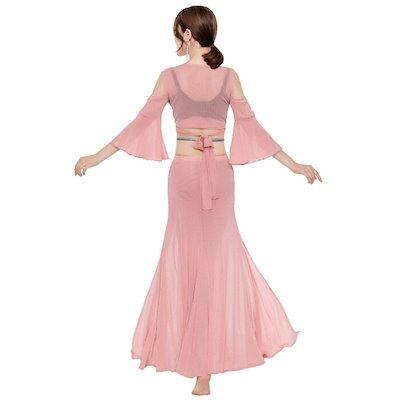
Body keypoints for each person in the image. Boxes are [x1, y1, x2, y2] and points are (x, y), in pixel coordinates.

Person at [74, 5, 322, 396]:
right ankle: (204, 366)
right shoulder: (223, 76)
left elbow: (142, 122)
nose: (174, 39)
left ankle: (203, 368)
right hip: (209, 177)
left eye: (176, 32)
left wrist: (96, 156)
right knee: (209, 260)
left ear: (187, 33)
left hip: (195, 177)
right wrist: (294, 165)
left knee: (200, 260)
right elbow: (250, 126)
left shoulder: (177, 76)